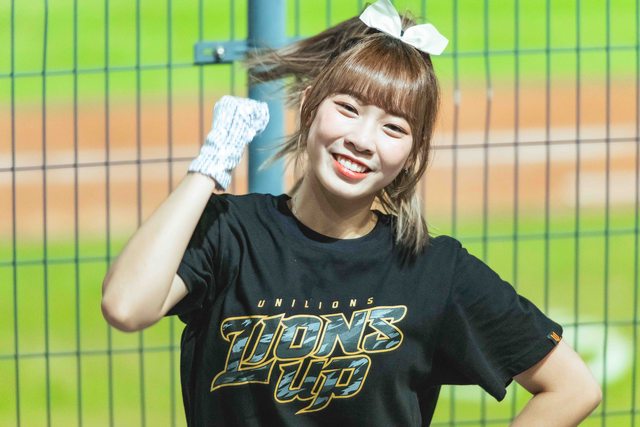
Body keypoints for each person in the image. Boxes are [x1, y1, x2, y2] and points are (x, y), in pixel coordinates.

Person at [101, 1, 601, 425]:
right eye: (348, 107)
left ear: (413, 154)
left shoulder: (434, 270)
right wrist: (210, 166)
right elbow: (126, 307)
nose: (362, 140)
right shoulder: (230, 231)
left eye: (394, 128)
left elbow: (573, 388)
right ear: (311, 105)